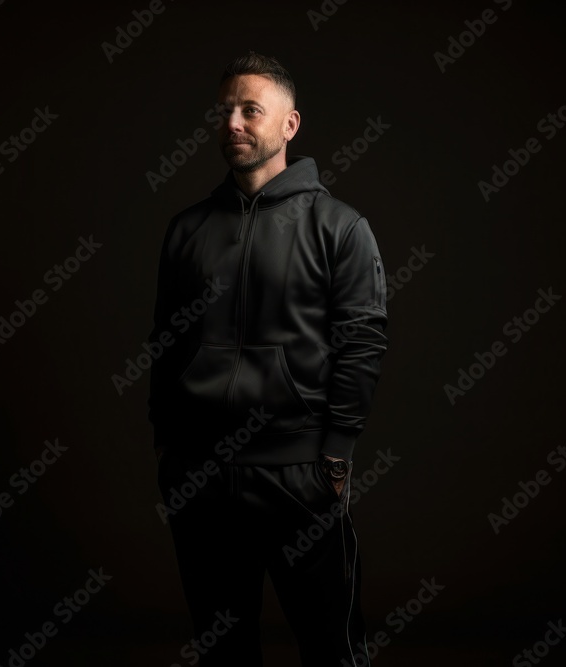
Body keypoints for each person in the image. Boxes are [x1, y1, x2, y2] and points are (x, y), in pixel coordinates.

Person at [147, 51, 389, 666]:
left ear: (290, 124)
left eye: (250, 110)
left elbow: (362, 343)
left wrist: (335, 452)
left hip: (298, 473)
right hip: (201, 476)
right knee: (222, 650)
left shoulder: (340, 226)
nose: (232, 122)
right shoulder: (187, 229)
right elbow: (167, 342)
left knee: (332, 648)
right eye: (225, 110)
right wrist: (171, 452)